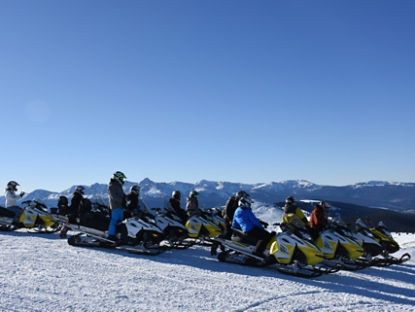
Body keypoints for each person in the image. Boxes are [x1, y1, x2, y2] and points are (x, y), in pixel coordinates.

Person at [107, 171, 127, 240]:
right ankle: (111, 235)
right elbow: (114, 196)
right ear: (118, 178)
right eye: (121, 178)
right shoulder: (112, 185)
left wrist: (125, 198)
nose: (122, 180)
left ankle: (119, 235)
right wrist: (122, 200)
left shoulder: (118, 185)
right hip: (115, 206)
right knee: (114, 221)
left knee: (121, 222)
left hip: (120, 206)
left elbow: (121, 195)